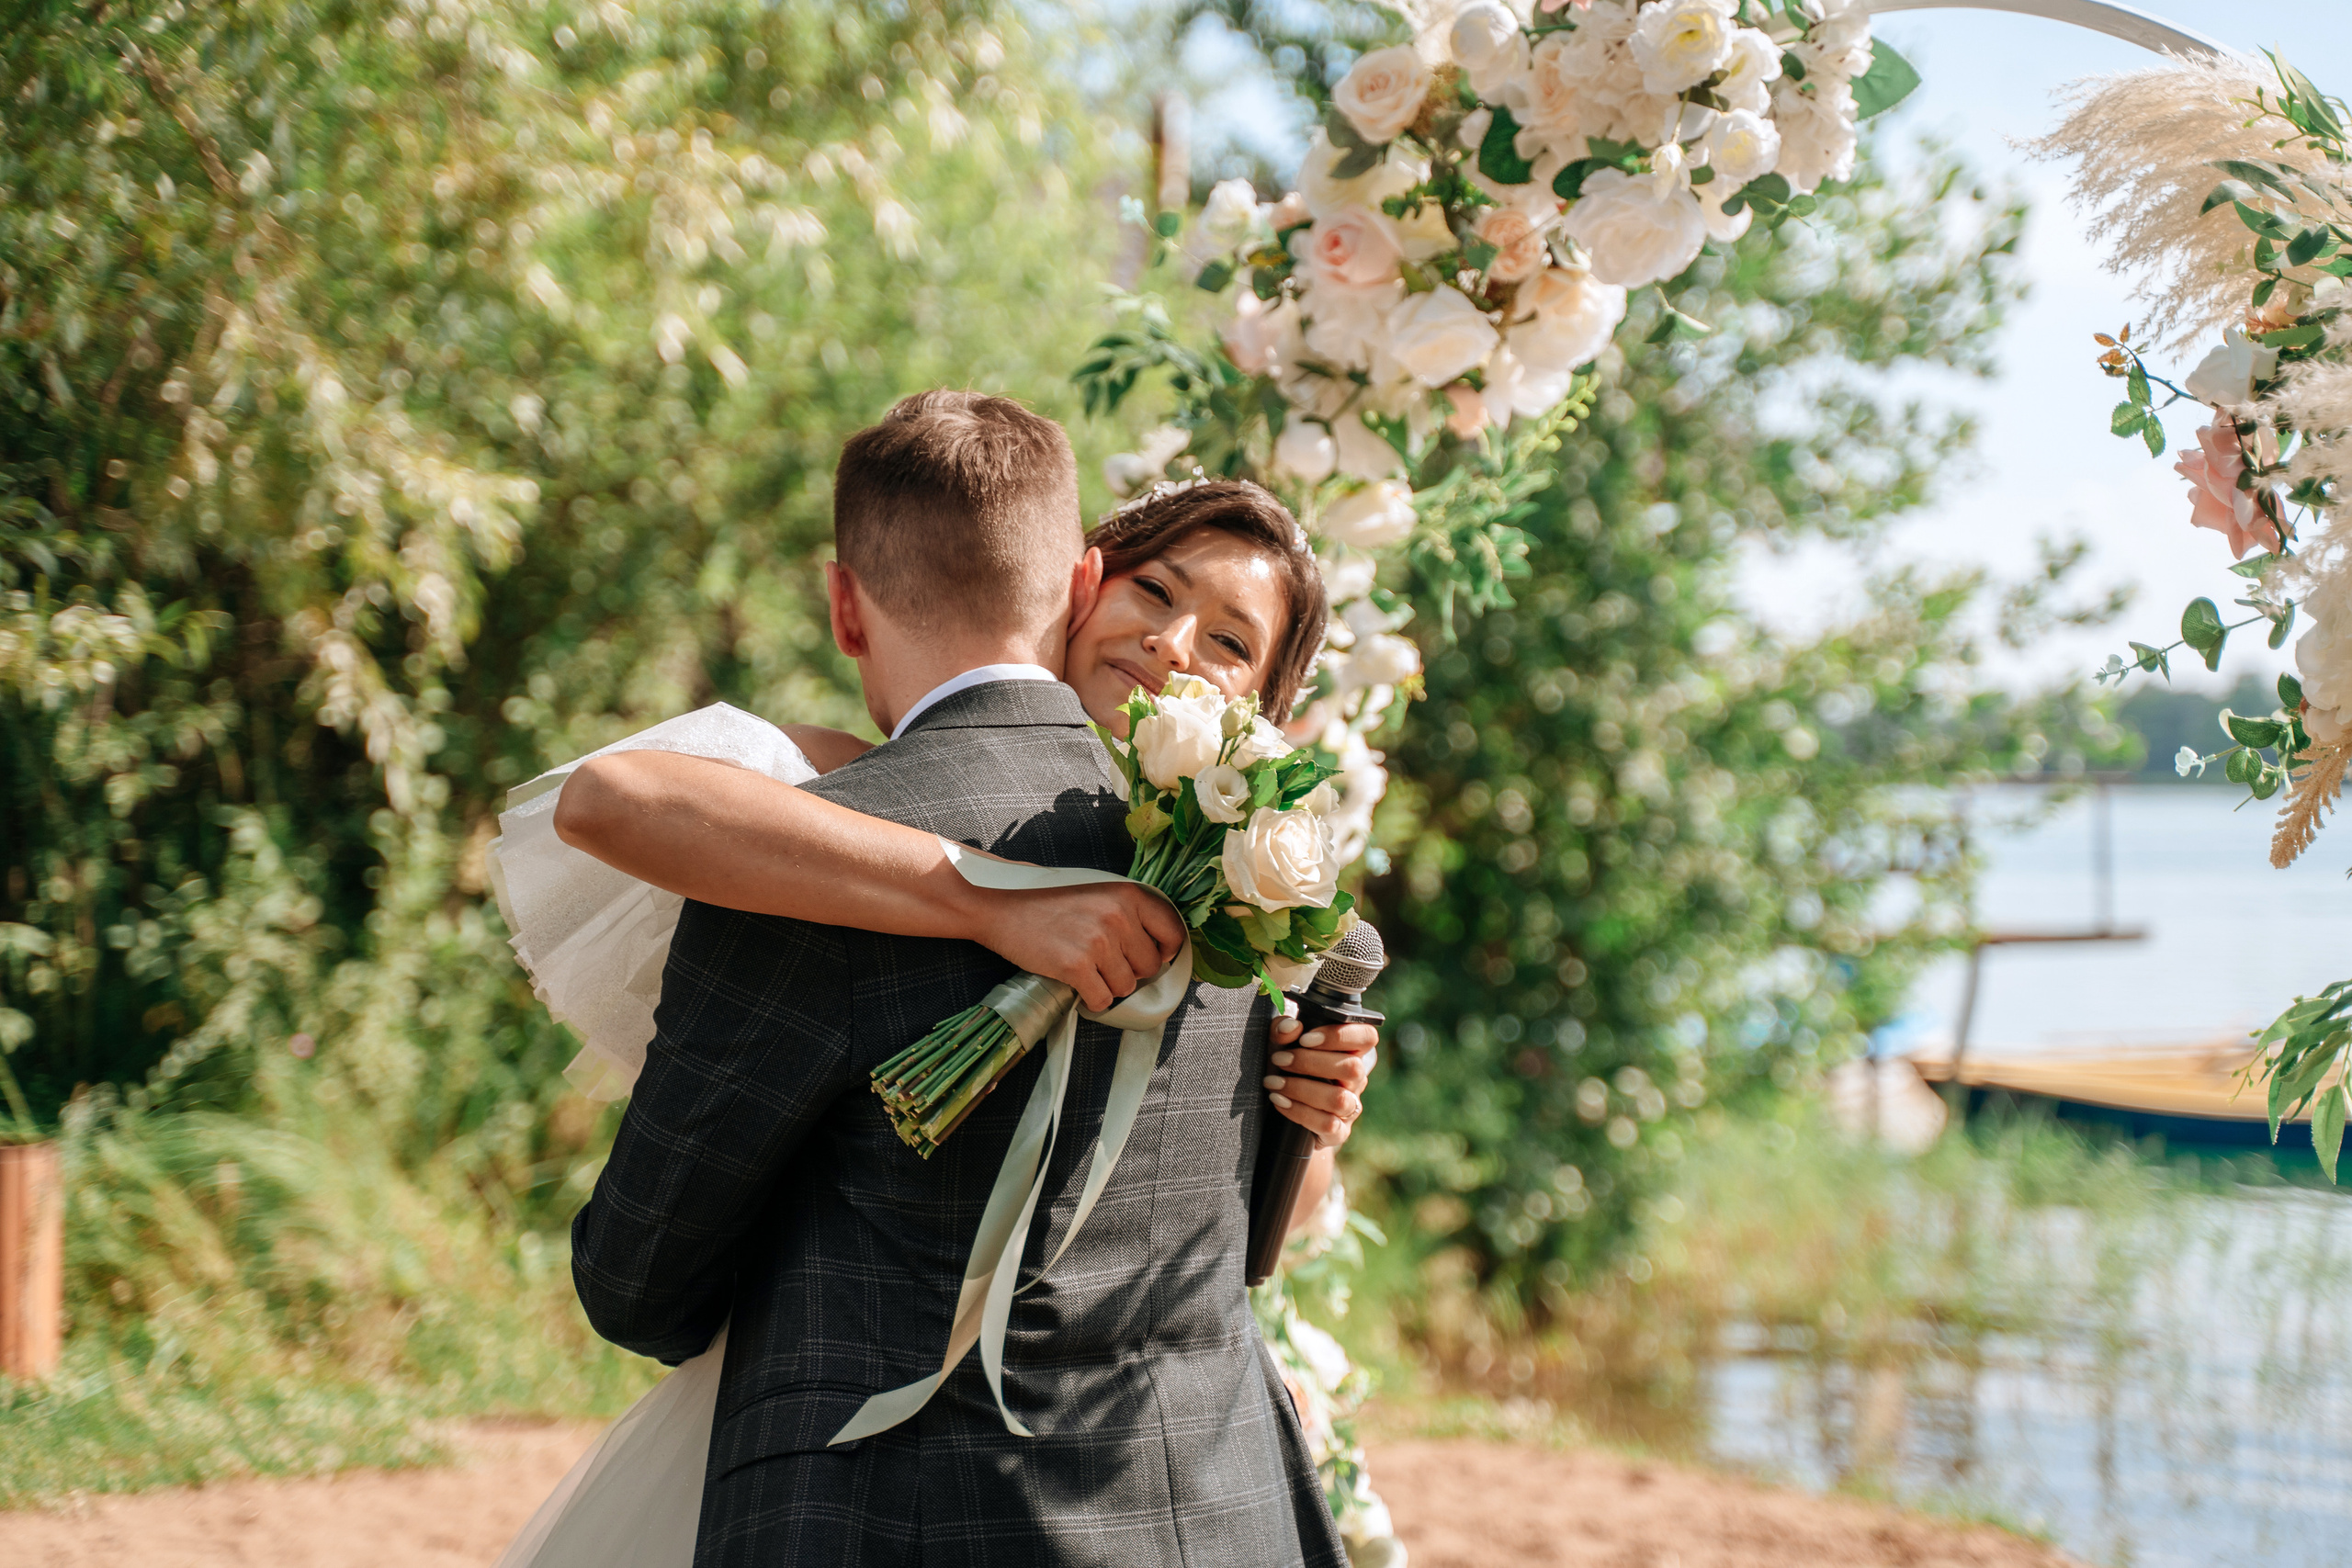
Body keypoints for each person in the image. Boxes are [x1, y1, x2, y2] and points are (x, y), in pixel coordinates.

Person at [514, 391, 1369, 1567]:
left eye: (1229, 641)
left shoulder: (798, 869)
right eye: (1156, 594)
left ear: (842, 605)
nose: (1173, 647)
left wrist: (1316, 1123)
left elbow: (639, 1283)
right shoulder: (1265, 894)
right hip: (1210, 1522)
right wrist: (987, 899)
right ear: (1082, 583)